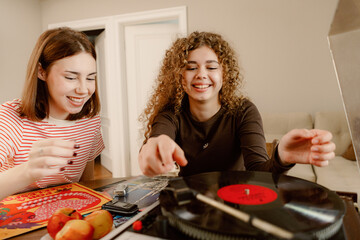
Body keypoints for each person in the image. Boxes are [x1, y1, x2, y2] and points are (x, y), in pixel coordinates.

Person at [138, 31, 335, 177]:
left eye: (211, 67)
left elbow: (258, 170)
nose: (201, 74)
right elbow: (157, 140)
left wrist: (282, 156)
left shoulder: (244, 111)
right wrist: (149, 150)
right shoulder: (170, 114)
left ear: (225, 74)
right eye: (191, 68)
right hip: (191, 204)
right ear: (179, 77)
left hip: (238, 201)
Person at [0, 27, 104, 200]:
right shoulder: (9, 117)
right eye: (71, 77)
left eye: (91, 78)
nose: (83, 90)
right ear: (42, 72)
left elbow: (86, 184)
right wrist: (28, 171)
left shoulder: (90, 120)